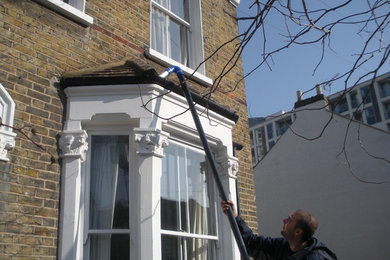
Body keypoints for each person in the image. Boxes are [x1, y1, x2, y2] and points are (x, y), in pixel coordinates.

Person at [221, 200, 337, 260]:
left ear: (298, 232)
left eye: (289, 220)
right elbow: (251, 242)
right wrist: (235, 217)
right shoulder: (282, 247)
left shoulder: (316, 257)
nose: (284, 221)